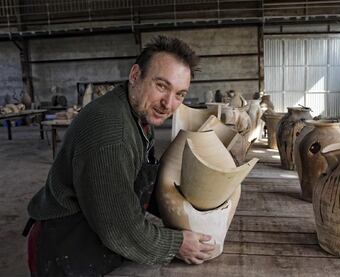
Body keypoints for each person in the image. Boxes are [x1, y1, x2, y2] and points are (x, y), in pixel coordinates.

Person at [23, 36, 215, 276]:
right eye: (161, 86)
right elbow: (120, 228)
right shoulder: (112, 133)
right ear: (135, 75)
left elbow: (138, 183)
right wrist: (176, 244)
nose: (168, 103)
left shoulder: (138, 113)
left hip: (90, 230)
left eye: (180, 94)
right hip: (66, 242)